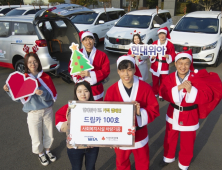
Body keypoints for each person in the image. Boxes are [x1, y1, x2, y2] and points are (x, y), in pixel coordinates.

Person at [159, 49, 222, 170]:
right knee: (169, 138)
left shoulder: (196, 78)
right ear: (176, 64)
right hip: (173, 113)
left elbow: (207, 97)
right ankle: (168, 157)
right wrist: (177, 88)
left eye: (186, 63)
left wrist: (192, 91)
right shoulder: (170, 77)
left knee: (187, 142)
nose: (183, 67)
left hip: (190, 114)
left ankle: (184, 163)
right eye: (180, 63)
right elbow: (163, 92)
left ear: (190, 64)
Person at [3, 47, 57, 166]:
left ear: (38, 62)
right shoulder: (23, 79)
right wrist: (8, 90)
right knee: (35, 135)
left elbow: (52, 95)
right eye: (30, 62)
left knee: (49, 133)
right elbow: (18, 99)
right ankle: (41, 154)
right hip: (33, 112)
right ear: (26, 64)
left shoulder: (45, 77)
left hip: (47, 110)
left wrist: (41, 93)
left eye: (35, 61)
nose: (33, 64)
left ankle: (48, 150)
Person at [104, 55, 160, 170]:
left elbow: (154, 108)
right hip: (119, 135)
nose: (126, 74)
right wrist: (109, 137)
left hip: (140, 133)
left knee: (143, 162)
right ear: (118, 71)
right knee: (121, 162)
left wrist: (140, 113)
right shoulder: (111, 90)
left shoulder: (145, 88)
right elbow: (106, 115)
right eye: (123, 70)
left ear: (135, 69)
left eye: (129, 69)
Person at [55, 80, 99, 170]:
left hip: (93, 146)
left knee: (91, 168)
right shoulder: (69, 108)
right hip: (74, 147)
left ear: (90, 92)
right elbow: (60, 125)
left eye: (86, 91)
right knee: (76, 168)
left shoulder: (98, 107)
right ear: (75, 93)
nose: (83, 94)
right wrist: (69, 122)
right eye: (79, 91)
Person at [68, 31, 110, 101]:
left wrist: (90, 74)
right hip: (81, 89)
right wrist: (77, 76)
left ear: (94, 40)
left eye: (90, 39)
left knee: (97, 109)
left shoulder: (102, 55)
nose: (88, 42)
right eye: (85, 40)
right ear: (82, 42)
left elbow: (106, 71)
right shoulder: (77, 53)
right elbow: (71, 69)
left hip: (96, 89)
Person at [149, 27, 176, 101]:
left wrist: (168, 56)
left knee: (163, 81)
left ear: (166, 34)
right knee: (155, 81)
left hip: (164, 66)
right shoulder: (154, 43)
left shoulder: (170, 44)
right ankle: (155, 93)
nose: (162, 36)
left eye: (163, 34)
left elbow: (173, 55)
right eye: (160, 34)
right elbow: (150, 54)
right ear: (158, 35)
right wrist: (152, 56)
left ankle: (161, 94)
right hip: (156, 65)